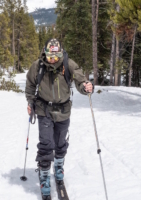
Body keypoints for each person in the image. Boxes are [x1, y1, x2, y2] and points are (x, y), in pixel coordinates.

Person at [25, 38, 93, 198]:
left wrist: (86, 87)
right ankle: (44, 177)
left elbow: (80, 80)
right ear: (45, 53)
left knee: (61, 143)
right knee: (46, 144)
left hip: (63, 110)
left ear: (60, 53)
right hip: (44, 109)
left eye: (56, 56)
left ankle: (59, 168)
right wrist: (30, 102)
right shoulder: (37, 66)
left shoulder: (68, 64)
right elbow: (30, 85)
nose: (53, 59)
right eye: (50, 56)